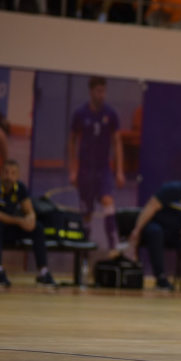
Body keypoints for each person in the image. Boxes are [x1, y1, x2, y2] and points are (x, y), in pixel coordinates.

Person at [0, 160, 56, 287]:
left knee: (37, 228)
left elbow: (29, 211)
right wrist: (20, 221)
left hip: (6, 229)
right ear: (0, 174)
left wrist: (30, 219)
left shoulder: (20, 187)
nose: (9, 176)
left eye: (13, 173)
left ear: (17, 176)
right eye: (6, 172)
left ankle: (43, 272)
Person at [128, 171, 181, 291]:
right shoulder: (172, 189)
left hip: (178, 234)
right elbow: (150, 207)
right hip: (159, 230)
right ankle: (160, 279)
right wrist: (137, 230)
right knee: (155, 231)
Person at [68, 76, 124, 255]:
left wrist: (119, 171)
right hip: (85, 167)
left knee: (108, 201)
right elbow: (72, 142)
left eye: (103, 91)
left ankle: (113, 245)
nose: (101, 95)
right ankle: (84, 246)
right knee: (87, 212)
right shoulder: (80, 114)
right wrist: (73, 170)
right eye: (98, 91)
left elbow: (117, 142)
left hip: (103, 167)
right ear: (91, 92)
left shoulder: (111, 114)